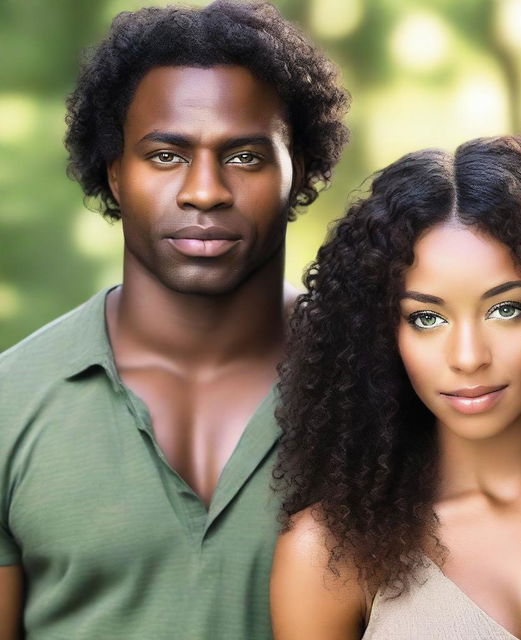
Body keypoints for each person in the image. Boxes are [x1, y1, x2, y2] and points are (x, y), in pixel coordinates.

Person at [0, 2, 349, 638]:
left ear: (298, 171)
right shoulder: (8, 402)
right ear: (114, 173)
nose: (205, 191)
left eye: (245, 156)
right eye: (166, 155)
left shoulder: (386, 378)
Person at [270, 135, 521, 640]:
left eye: (506, 309)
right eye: (426, 318)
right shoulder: (331, 553)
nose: (468, 357)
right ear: (377, 333)